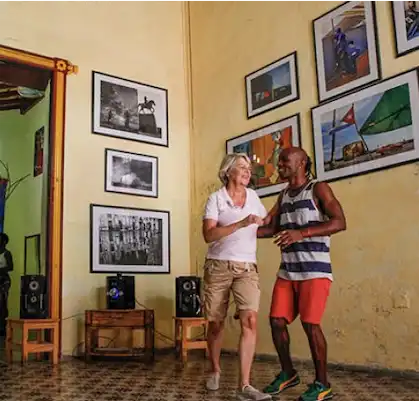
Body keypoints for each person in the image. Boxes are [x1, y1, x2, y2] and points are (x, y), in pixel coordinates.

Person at [258, 147, 346, 401]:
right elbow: (272, 228)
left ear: (302, 163)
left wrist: (302, 233)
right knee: (276, 321)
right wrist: (238, 231)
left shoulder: (318, 189)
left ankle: (322, 383)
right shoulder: (283, 194)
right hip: (288, 271)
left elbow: (339, 221)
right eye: (279, 160)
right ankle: (288, 373)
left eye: (285, 160)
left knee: (310, 325)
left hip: (315, 271)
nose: (280, 163)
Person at [202, 153, 272, 401]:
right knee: (215, 323)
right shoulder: (216, 199)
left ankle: (244, 385)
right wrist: (241, 224)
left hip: (247, 268)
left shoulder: (253, 196)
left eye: (248, 168)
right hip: (218, 267)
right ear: (227, 171)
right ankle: (214, 368)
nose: (247, 171)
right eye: (241, 167)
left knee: (250, 320)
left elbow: (264, 221)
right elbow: (209, 235)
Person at [0, 233, 13, 336]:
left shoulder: (6, 253)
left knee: (2, 303)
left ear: (4, 242)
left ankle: (4, 327)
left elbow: (10, 267)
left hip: (4, 280)